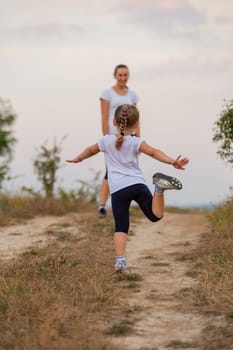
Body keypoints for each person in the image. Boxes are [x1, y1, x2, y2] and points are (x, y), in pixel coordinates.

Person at [66, 104, 189, 272]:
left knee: (121, 226)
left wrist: (79, 158)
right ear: (137, 124)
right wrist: (172, 161)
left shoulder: (105, 140)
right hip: (137, 185)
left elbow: (90, 150)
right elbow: (153, 152)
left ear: (114, 121)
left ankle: (120, 262)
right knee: (155, 216)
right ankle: (159, 189)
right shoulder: (136, 142)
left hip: (118, 190)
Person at [98, 64, 139, 218]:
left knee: (129, 170)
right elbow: (104, 116)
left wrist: (137, 137)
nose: (122, 78)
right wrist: (105, 138)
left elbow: (136, 118)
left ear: (128, 76)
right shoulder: (107, 93)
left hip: (129, 136)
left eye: (125, 75)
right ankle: (102, 206)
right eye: (120, 75)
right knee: (110, 171)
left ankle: (124, 204)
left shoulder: (132, 95)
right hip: (113, 136)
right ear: (115, 76)